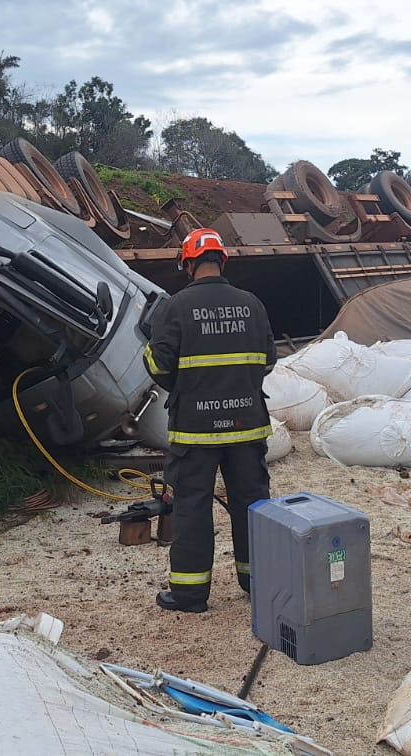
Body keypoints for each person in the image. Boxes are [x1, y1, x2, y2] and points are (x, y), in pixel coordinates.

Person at [142, 228, 276, 613]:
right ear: (222, 261)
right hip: (247, 425)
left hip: (195, 429)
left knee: (192, 506)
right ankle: (260, 582)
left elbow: (158, 365)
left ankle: (189, 594)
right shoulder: (252, 304)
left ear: (187, 263)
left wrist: (184, 386)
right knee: (253, 504)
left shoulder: (175, 307)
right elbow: (268, 360)